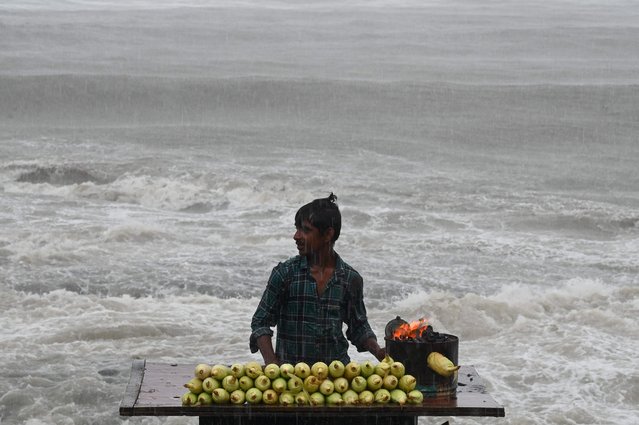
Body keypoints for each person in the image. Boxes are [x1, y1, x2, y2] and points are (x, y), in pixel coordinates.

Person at [250, 193, 385, 366]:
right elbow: (260, 322)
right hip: (291, 376)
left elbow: (358, 326)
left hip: (337, 378)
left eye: (305, 230)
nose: (296, 236)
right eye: (297, 228)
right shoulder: (285, 273)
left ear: (328, 234)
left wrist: (378, 351)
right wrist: (272, 363)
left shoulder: (350, 279)